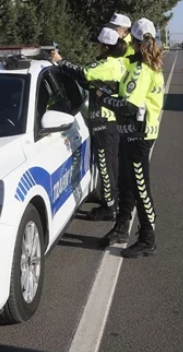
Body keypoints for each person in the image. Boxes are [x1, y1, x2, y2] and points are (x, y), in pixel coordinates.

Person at [98, 18, 165, 258]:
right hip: (132, 133)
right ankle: (121, 228)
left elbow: (128, 106)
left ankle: (148, 238)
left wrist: (102, 98)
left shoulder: (142, 69)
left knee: (140, 187)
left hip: (139, 135)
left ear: (134, 41)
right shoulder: (143, 64)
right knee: (127, 183)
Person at [51, 27, 128, 221]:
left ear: (105, 46)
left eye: (97, 44)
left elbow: (84, 73)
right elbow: (89, 82)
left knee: (106, 166)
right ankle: (112, 203)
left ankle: (109, 208)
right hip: (109, 122)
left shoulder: (108, 64)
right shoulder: (114, 63)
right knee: (111, 165)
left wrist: (61, 62)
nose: (95, 47)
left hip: (104, 122)